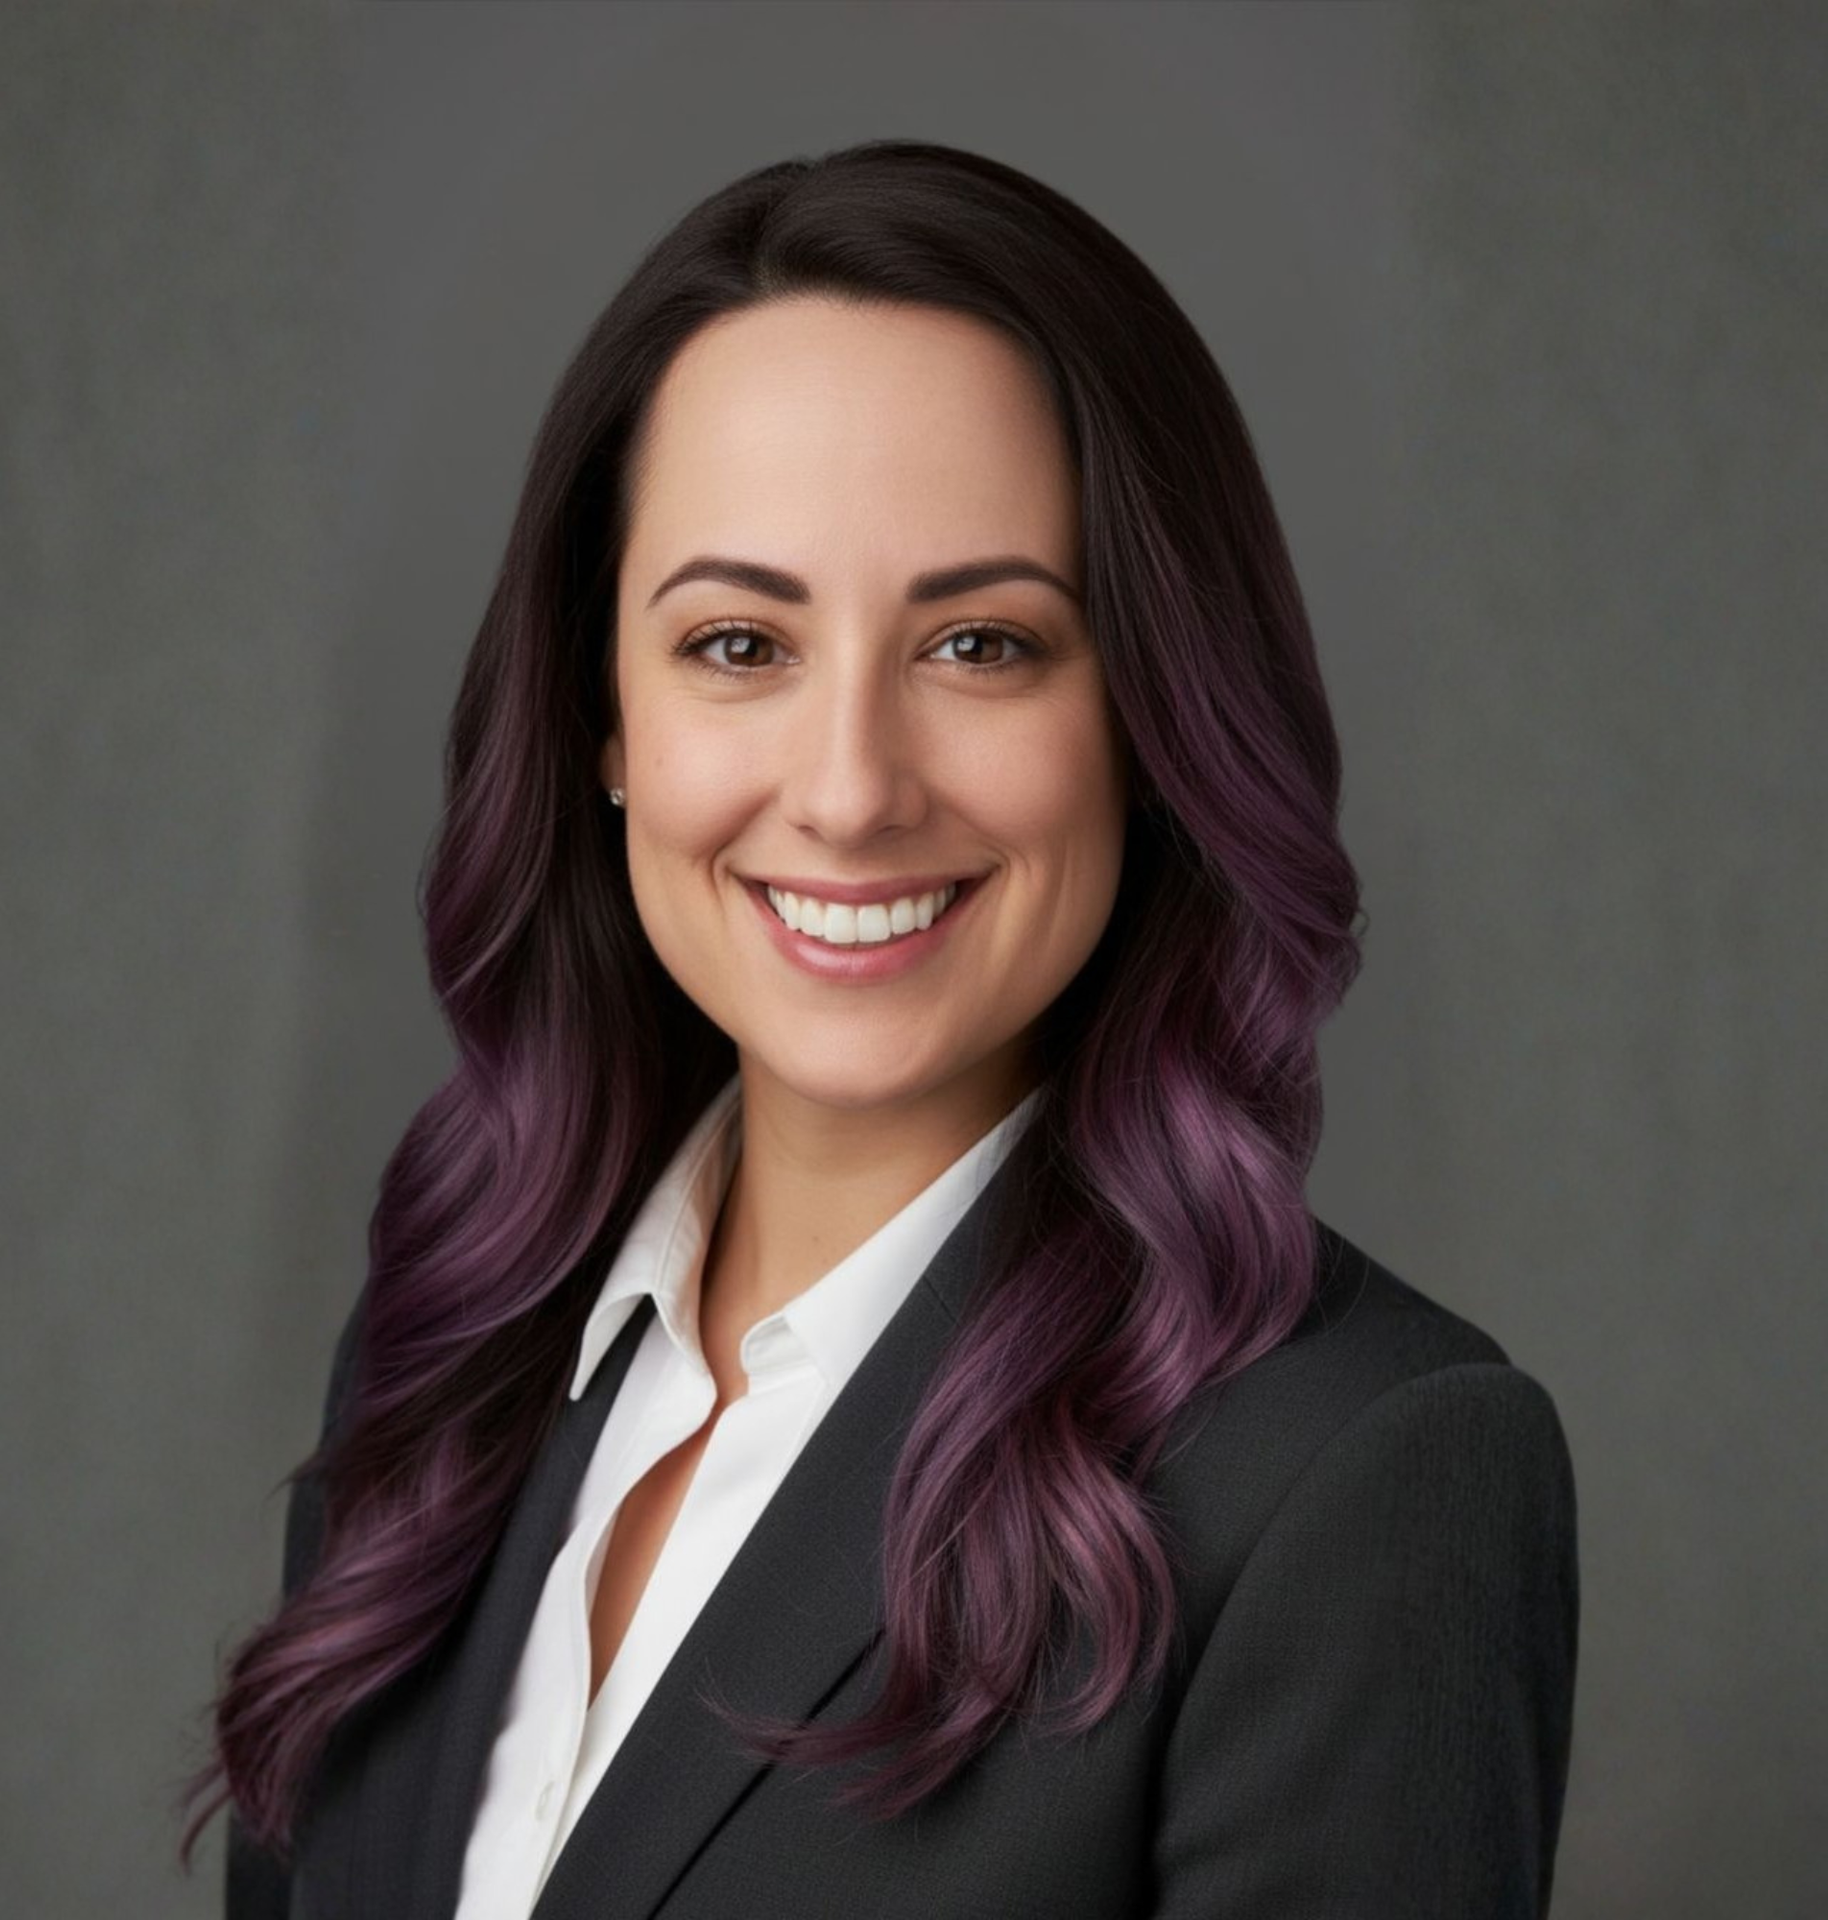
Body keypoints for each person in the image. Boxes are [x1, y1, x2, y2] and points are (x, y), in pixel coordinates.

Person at [187, 139, 1578, 1919]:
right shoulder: (451, 1349)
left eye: (983, 646)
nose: (848, 792)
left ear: (1150, 722)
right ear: (601, 716)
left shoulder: (1364, 1477)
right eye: (740, 646)